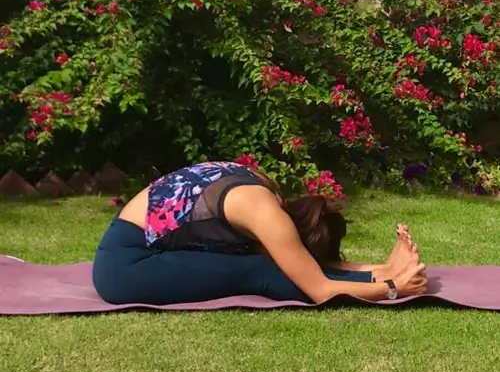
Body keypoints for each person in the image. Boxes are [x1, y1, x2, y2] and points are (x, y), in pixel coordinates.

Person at [92, 161, 427, 305]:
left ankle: (377, 270)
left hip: (137, 245)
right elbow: (320, 290)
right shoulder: (267, 216)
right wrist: (393, 289)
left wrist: (380, 273)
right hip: (126, 268)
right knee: (264, 271)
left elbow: (300, 264)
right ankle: (381, 275)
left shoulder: (262, 184)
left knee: (270, 263)